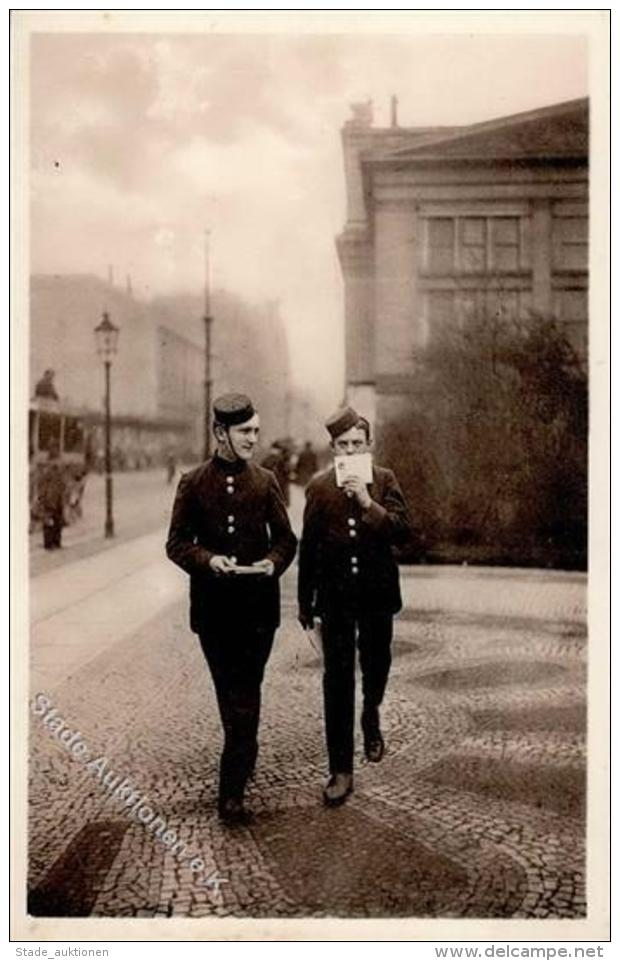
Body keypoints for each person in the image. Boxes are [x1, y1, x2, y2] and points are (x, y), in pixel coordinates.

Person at [166, 393, 297, 824]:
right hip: (213, 612)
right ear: (220, 433)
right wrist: (207, 561)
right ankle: (238, 772)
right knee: (232, 694)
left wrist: (271, 564)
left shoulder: (265, 481)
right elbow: (176, 544)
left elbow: (285, 540)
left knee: (246, 690)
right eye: (245, 432)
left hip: (258, 610)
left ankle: (234, 780)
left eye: (256, 431)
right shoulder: (192, 482)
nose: (253, 440)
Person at [298, 406, 412, 807]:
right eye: (343, 445)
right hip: (336, 599)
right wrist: (304, 604)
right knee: (338, 678)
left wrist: (367, 504)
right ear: (333, 449)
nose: (350, 450)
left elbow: (403, 532)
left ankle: (371, 713)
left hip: (377, 595)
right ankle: (341, 769)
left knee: (377, 664)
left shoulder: (384, 480)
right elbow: (308, 547)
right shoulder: (319, 486)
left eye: (357, 444)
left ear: (369, 446)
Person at [38, 447, 66, 550]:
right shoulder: (47, 471)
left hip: (58, 500)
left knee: (57, 522)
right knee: (49, 522)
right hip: (49, 500)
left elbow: (62, 485)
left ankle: (56, 542)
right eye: (57, 459)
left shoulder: (58, 471)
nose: (59, 462)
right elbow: (42, 485)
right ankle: (49, 544)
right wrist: (42, 498)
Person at [261, 441, 291, 506]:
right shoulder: (281, 459)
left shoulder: (266, 459)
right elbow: (286, 471)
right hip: (279, 483)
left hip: (268, 484)